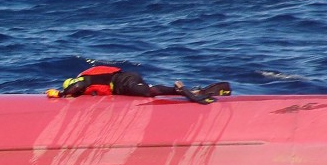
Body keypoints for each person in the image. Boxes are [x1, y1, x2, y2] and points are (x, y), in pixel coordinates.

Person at [45, 65, 229, 104]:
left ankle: (178, 89)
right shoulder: (93, 75)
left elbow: (78, 86)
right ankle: (200, 90)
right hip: (125, 77)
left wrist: (61, 94)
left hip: (123, 81)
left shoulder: (83, 79)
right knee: (147, 91)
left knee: (148, 93)